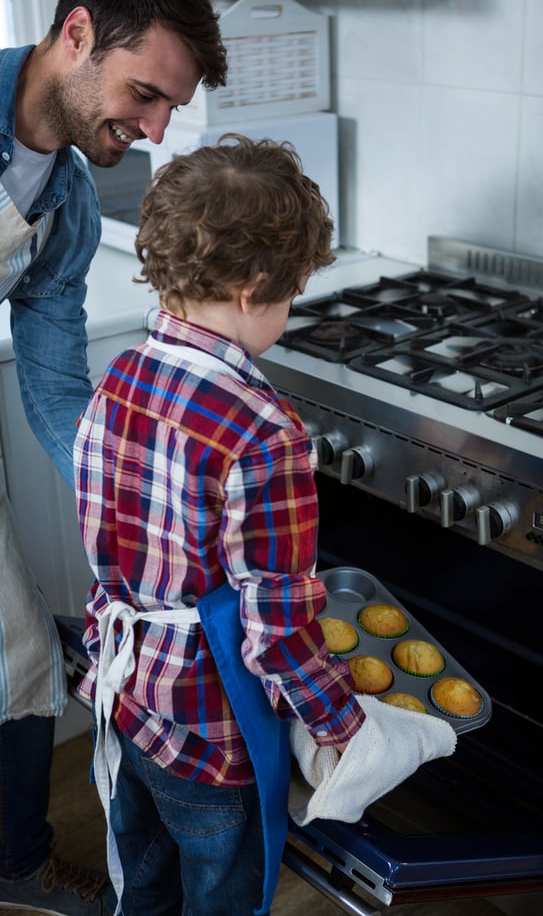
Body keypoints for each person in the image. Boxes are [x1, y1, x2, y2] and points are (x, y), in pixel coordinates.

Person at [73, 134, 367, 916]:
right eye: (291, 294)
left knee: (143, 884)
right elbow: (277, 623)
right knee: (221, 897)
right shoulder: (265, 430)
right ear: (252, 289)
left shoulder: (120, 377)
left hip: (124, 700)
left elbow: (103, 541)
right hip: (209, 738)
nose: (287, 311)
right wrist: (340, 724)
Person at [0, 0, 227, 916]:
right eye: (147, 94)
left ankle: (16, 863)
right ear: (78, 34)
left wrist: (131, 504)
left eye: (171, 106)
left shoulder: (70, 204)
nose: (160, 128)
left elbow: (55, 383)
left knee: (18, 657)